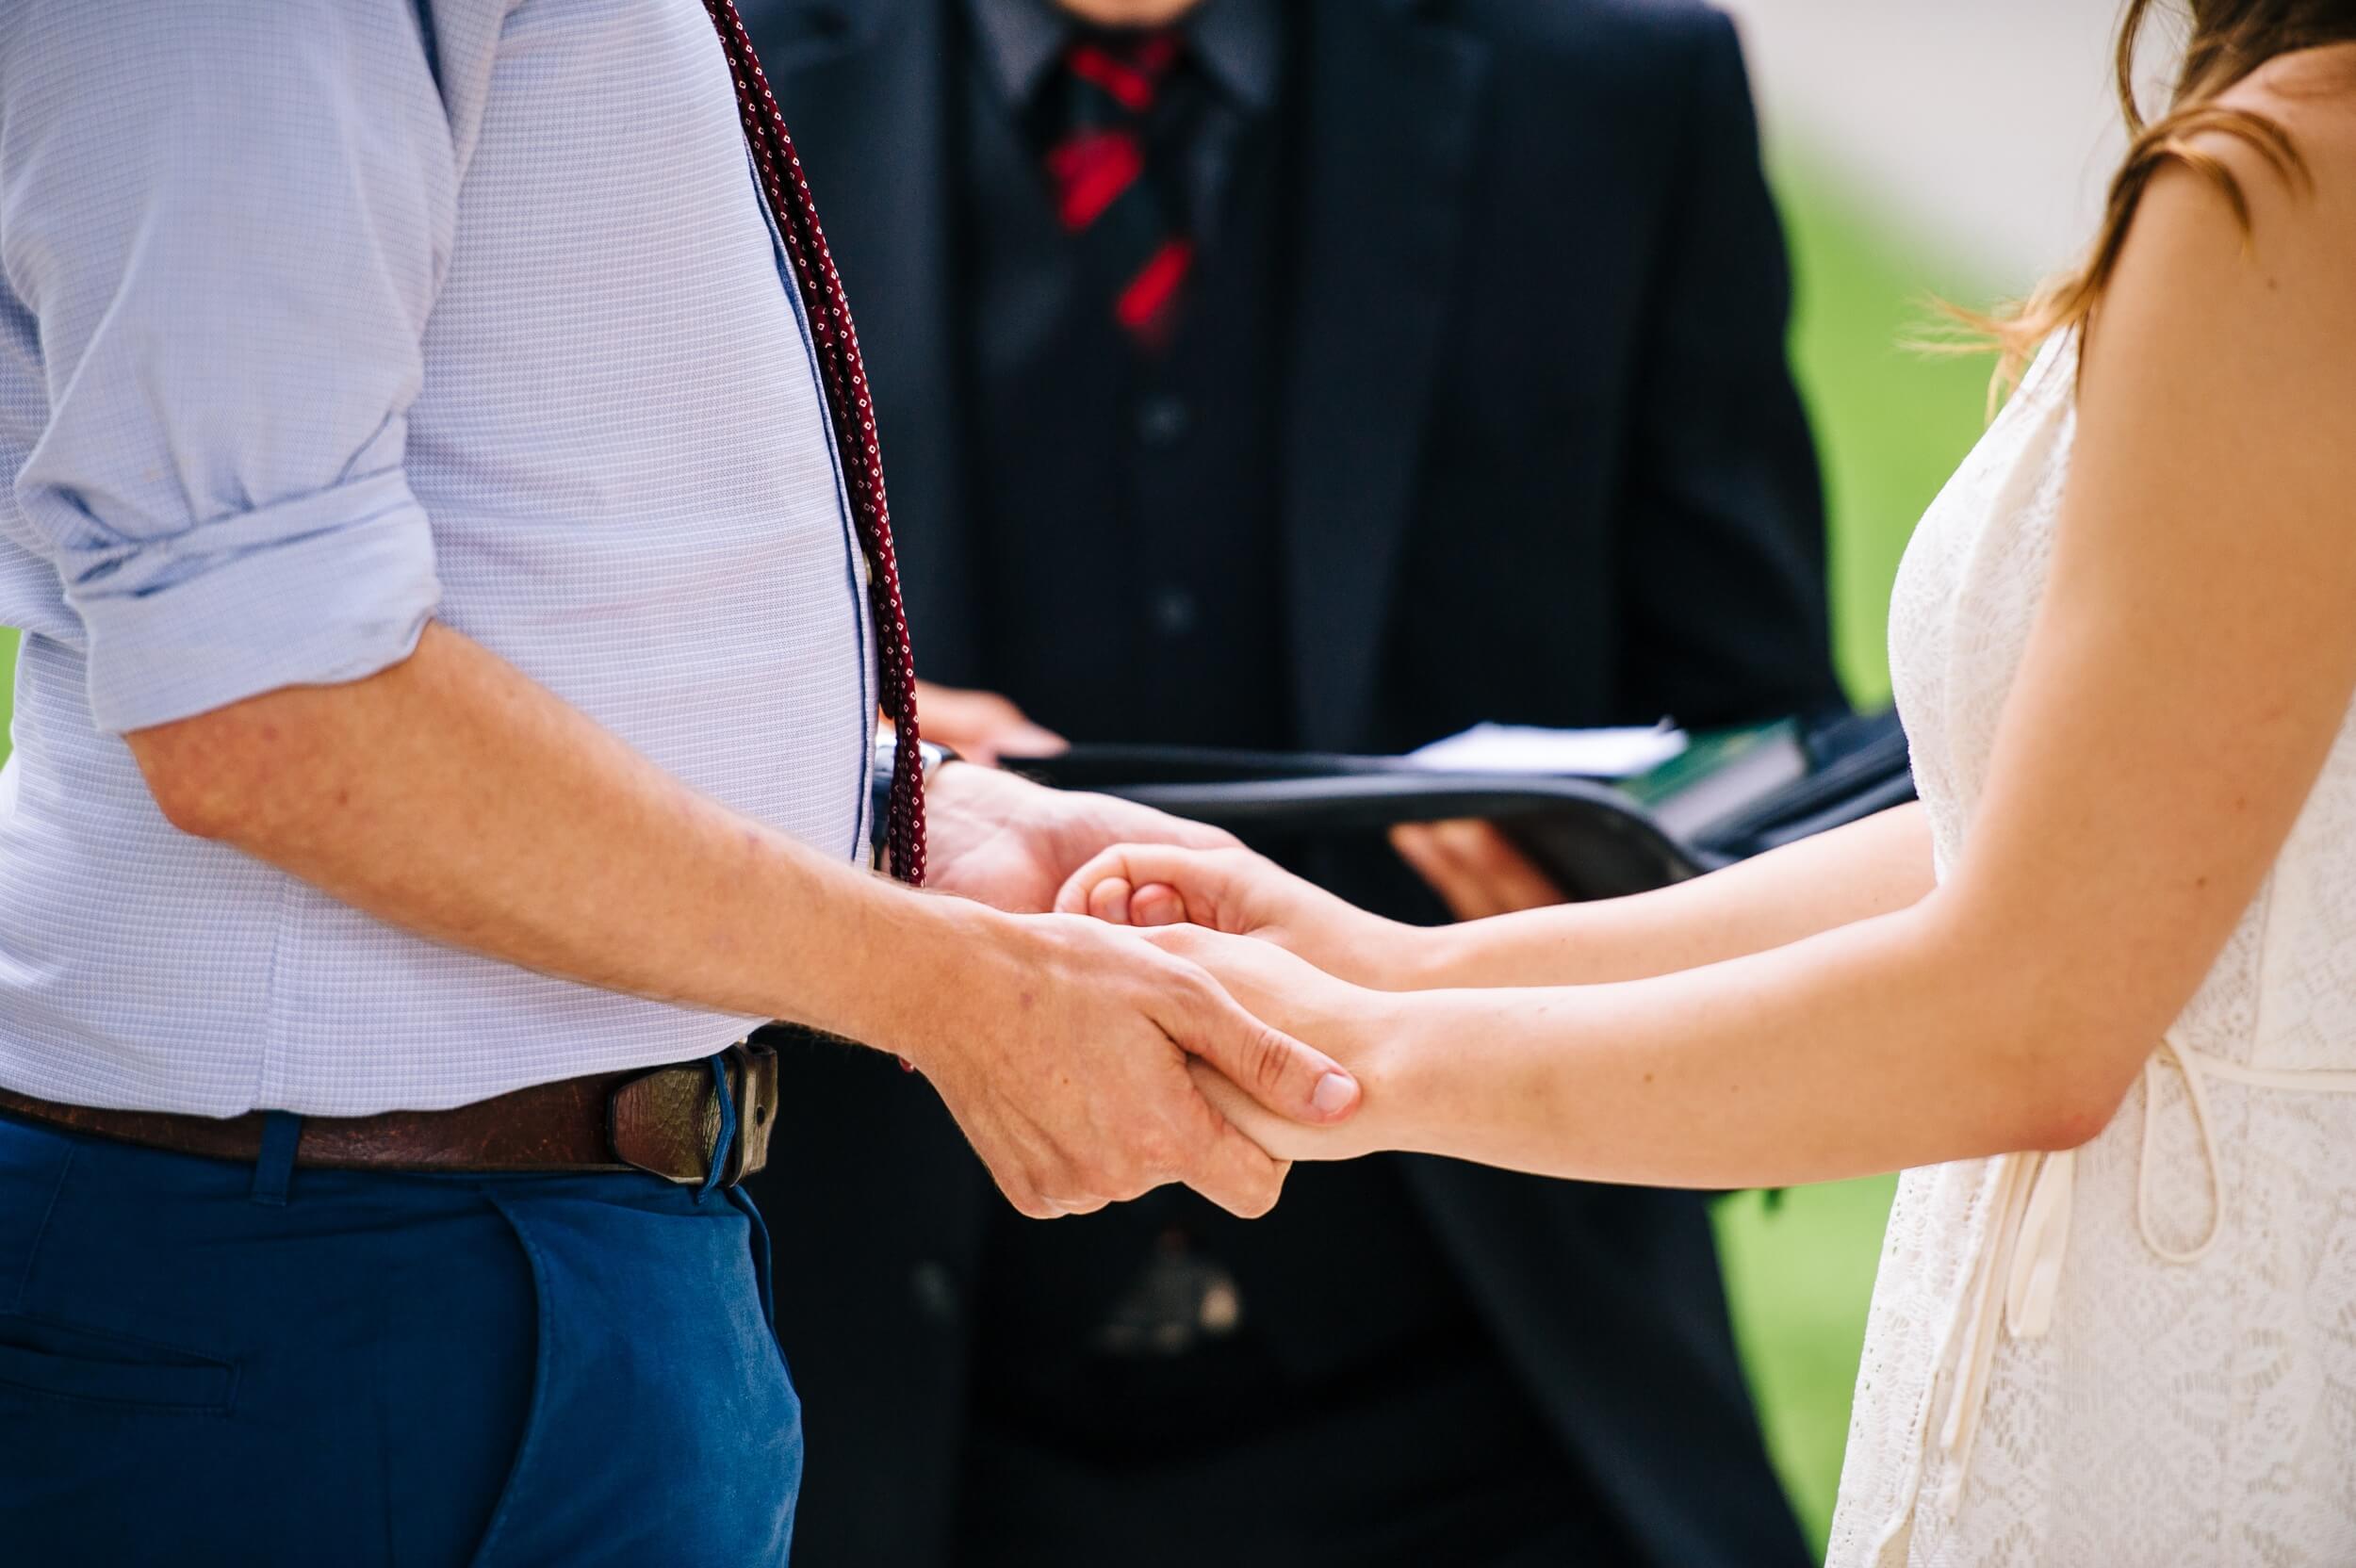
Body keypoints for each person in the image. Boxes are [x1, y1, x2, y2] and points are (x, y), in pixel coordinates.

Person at [0, 3, 1366, 1562]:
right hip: (303, 1279)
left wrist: (893, 820)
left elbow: (514, 529)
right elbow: (270, 701)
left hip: (541, 1256)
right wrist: (966, 996)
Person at [1063, 6, 2356, 1564]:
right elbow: (2029, 842)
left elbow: (2032, 1012)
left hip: (2219, 1391)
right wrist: (1390, 960)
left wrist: (1367, 1058)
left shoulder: (2289, 190)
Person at [736, 0, 1836, 1563]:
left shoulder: (1615, 75)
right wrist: (834, 753)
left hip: (1494, 1411)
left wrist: (1623, 899)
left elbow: (1772, 745)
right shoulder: (700, 75)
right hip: (878, 1428)